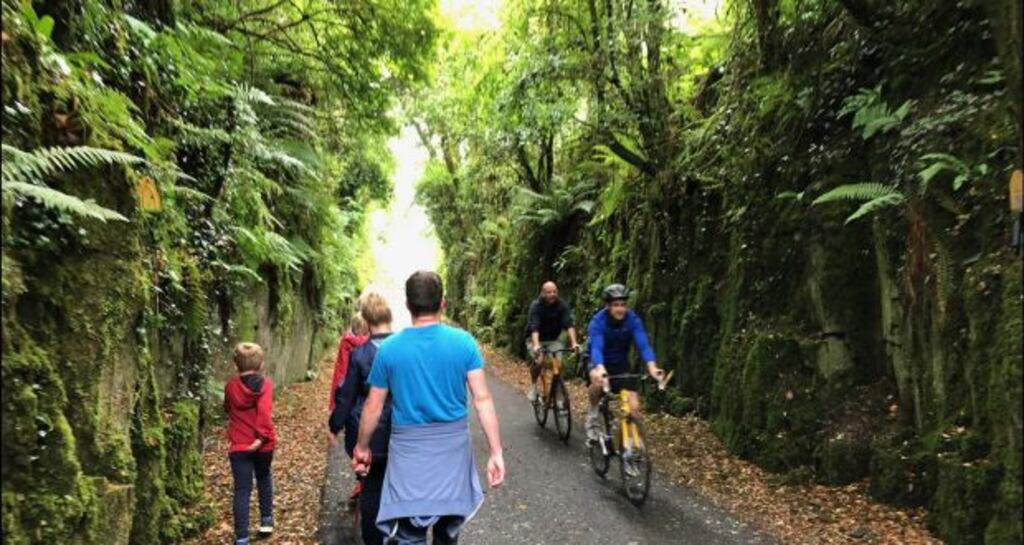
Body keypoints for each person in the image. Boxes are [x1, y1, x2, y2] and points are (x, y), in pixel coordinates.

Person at [352, 271, 505, 545]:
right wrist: (495, 451)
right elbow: (482, 399)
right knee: (447, 532)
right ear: (442, 303)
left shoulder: (389, 349)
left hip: (409, 457)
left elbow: (373, 407)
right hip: (453, 453)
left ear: (408, 305)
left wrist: (362, 448)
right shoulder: (464, 343)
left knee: (410, 535)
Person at [328, 293, 394, 545]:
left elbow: (346, 396)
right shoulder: (404, 349)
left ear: (366, 320)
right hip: (401, 434)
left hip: (368, 436)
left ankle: (374, 539)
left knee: (371, 488)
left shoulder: (360, 354)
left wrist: (335, 426)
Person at [585, 284, 666, 441]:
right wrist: (600, 368)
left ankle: (628, 444)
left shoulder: (632, 320)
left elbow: (643, 344)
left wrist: (652, 367)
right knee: (597, 382)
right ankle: (593, 414)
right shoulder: (598, 322)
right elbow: (597, 348)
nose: (620, 309)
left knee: (634, 408)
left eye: (623, 305)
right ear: (607, 306)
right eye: (615, 305)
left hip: (621, 363)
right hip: (598, 361)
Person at [224, 342, 277, 545]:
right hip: (263, 446)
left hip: (240, 445)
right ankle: (265, 521)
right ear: (261, 364)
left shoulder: (230, 386)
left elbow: (228, 407)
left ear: (236, 366)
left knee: (242, 490)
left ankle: (242, 537)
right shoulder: (266, 385)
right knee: (264, 477)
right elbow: (264, 412)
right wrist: (261, 437)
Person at [524, 281, 580, 402]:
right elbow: (535, 327)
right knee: (539, 361)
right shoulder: (536, 306)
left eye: (554, 292)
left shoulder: (561, 305)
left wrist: (574, 342)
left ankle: (558, 393)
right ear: (543, 293)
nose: (552, 294)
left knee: (558, 365)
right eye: (549, 292)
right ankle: (533, 386)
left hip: (553, 340)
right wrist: (536, 345)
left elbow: (568, 324)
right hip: (535, 339)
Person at [328, 312, 369, 413]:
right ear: (362, 327)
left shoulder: (346, 338)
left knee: (343, 402)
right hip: (348, 376)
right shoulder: (356, 341)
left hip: (342, 376)